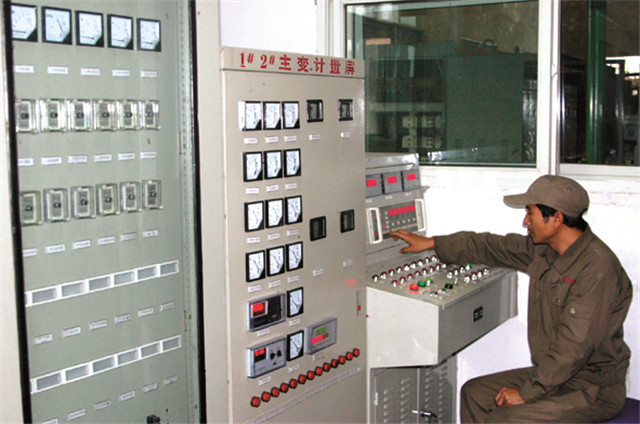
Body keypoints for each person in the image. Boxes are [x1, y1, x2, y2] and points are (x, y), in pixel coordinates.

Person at [389, 175, 632, 423]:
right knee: (475, 394)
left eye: (530, 213)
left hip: (592, 388)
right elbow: (492, 246)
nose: (525, 221)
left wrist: (527, 393)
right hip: (559, 376)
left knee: (505, 418)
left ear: (557, 218)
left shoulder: (597, 269)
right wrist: (432, 243)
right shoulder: (545, 250)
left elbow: (573, 349)